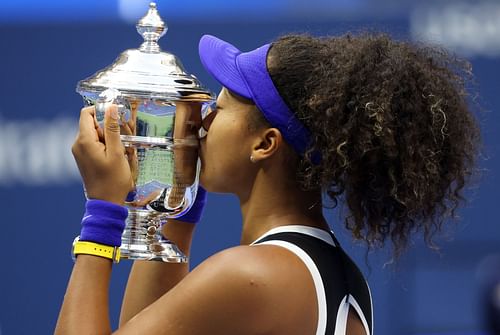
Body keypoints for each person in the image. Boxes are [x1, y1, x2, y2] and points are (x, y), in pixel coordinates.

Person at [55, 33, 481, 335]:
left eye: (219, 107)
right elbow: (141, 326)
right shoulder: (332, 275)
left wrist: (103, 211)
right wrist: (181, 192)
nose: (202, 121)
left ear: (264, 144)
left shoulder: (251, 275)